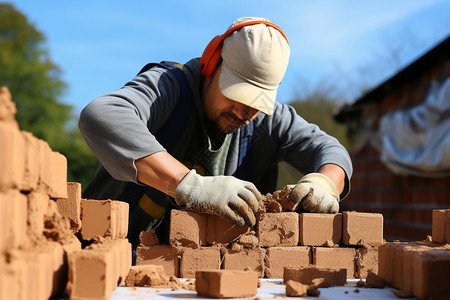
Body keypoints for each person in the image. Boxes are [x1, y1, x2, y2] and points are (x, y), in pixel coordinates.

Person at [79, 17, 353, 248]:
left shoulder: (272, 122)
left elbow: (330, 150)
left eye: (256, 105)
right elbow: (101, 115)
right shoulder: (169, 87)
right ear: (211, 63)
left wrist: (325, 184)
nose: (243, 113)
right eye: (237, 94)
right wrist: (189, 185)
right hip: (105, 256)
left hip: (200, 281)